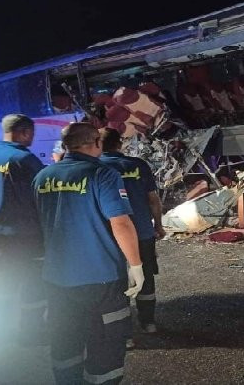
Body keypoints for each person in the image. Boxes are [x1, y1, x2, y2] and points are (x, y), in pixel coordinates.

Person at [33, 123, 144, 384]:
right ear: (96, 142)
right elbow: (120, 223)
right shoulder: (102, 174)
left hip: (56, 277)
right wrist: (136, 265)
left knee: (66, 339)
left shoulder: (42, 176)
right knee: (106, 340)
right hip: (101, 277)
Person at [0, 114, 46, 341]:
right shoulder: (24, 159)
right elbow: (40, 196)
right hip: (27, 231)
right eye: (31, 134)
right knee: (34, 280)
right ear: (24, 132)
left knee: (7, 277)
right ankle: (31, 331)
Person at [99, 128, 165, 339]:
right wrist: (158, 225)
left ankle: (123, 333)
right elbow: (153, 200)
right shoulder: (138, 165)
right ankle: (148, 323)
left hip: (110, 236)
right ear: (120, 143)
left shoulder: (96, 168)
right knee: (145, 275)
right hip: (142, 232)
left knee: (116, 281)